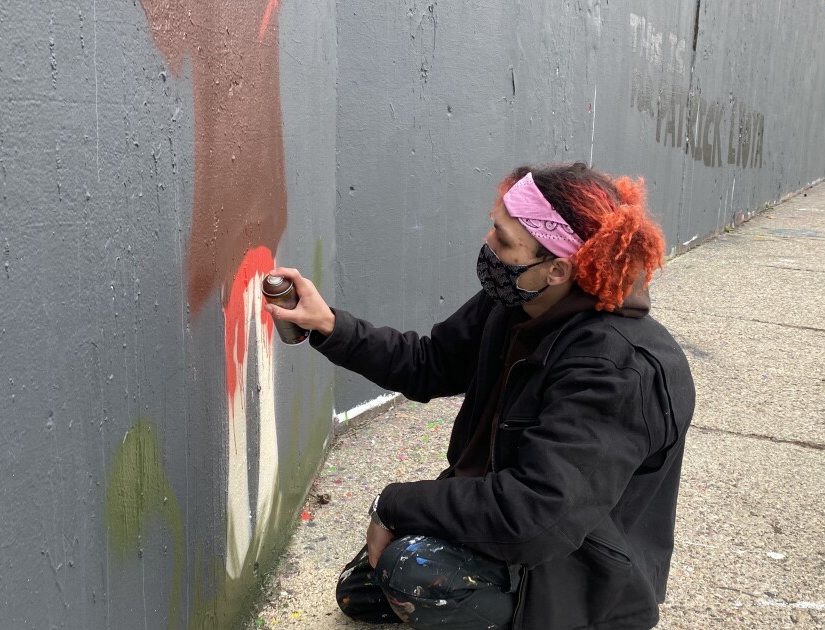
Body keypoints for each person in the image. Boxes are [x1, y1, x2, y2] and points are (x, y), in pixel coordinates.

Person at [267, 162, 696, 630]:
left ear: (557, 269)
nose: (489, 245)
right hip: (518, 523)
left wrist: (393, 502)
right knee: (361, 590)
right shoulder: (520, 301)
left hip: (578, 573)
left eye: (504, 240)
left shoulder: (616, 370)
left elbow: (536, 517)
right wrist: (328, 324)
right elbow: (430, 364)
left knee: (410, 572)